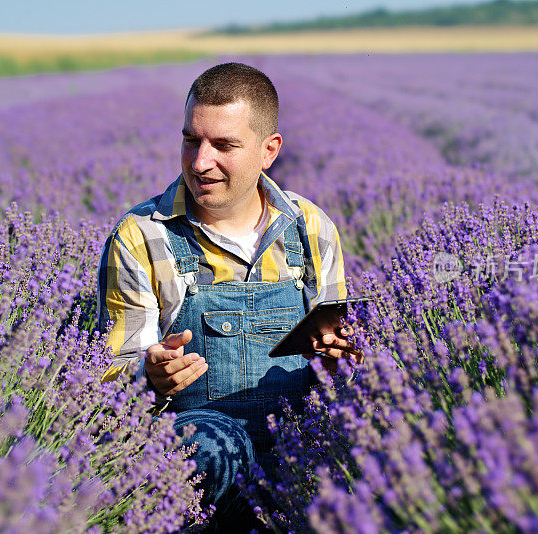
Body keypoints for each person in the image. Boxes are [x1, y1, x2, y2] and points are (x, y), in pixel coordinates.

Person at [97, 62, 361, 532]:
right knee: (211, 446)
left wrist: (343, 361)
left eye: (224, 145)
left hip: (298, 450)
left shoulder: (311, 228)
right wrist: (149, 373)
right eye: (190, 140)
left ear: (268, 151)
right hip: (198, 468)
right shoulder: (142, 237)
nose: (200, 161)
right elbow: (107, 379)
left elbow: (335, 358)